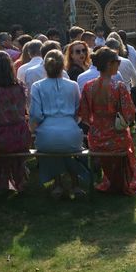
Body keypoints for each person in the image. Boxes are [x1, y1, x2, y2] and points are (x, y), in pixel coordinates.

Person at [79, 47, 136, 195]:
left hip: (96, 138)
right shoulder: (118, 87)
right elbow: (129, 116)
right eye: (117, 62)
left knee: (122, 138)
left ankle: (108, 180)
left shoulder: (88, 86)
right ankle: (123, 182)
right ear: (109, 64)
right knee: (127, 139)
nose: (119, 64)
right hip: (115, 136)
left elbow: (85, 116)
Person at [29, 50, 87, 199]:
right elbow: (77, 111)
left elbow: (35, 114)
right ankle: (75, 183)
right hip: (71, 130)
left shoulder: (37, 86)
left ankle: (58, 183)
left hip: (47, 132)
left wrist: (41, 125)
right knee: (67, 147)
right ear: (63, 66)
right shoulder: (73, 85)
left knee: (52, 146)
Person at [0, 51, 31, 193]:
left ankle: (3, 182)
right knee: (15, 153)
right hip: (20, 135)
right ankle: (19, 179)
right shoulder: (20, 87)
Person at [105, 38, 136, 135]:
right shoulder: (125, 62)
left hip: (107, 95)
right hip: (126, 93)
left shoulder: (103, 64)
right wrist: (133, 87)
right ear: (118, 49)